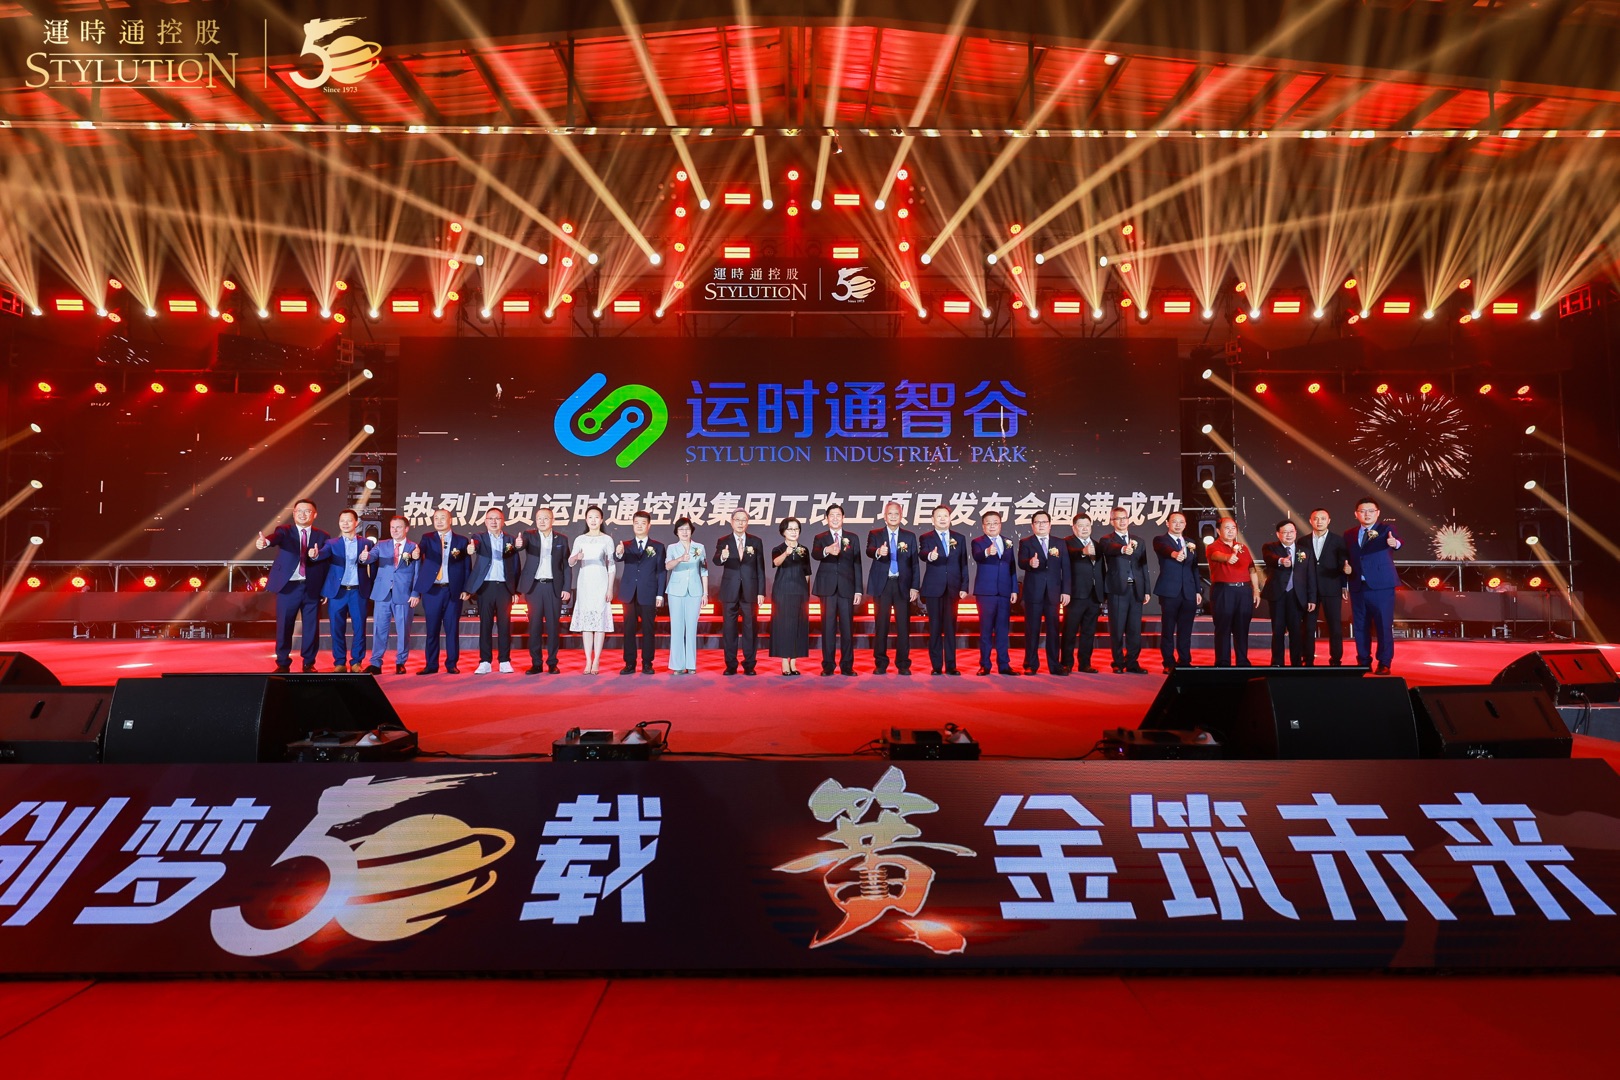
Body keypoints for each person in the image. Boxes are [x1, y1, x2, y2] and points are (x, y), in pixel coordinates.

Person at [256, 497, 330, 673]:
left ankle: (309, 663)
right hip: (288, 587)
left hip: (312, 587)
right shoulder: (284, 530)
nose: (303, 514)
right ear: (294, 513)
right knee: (284, 625)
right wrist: (265, 542)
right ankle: (283, 663)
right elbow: (274, 538)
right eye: (299, 511)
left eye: (307, 511)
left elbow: (326, 562)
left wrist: (324, 587)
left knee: (311, 627)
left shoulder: (323, 536)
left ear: (314, 514)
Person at [1345, 497, 1402, 674]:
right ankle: (1363, 661)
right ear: (1356, 514)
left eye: (1370, 511)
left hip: (1381, 586)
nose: (1367, 514)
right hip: (1358, 586)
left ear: (1377, 513)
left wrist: (1395, 543)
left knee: (1383, 626)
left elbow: (1397, 541)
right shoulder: (1349, 534)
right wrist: (1345, 571)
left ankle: (1384, 662)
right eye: (1362, 511)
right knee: (1360, 626)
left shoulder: (1386, 529)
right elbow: (1346, 557)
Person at [410, 508, 470, 675]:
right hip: (432, 591)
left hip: (453, 590)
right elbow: (420, 551)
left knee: (452, 629)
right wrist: (416, 553)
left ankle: (452, 664)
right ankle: (431, 664)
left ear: (450, 520)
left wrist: (466, 589)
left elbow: (466, 566)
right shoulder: (427, 538)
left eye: (443, 518)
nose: (439, 521)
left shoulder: (461, 541)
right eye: (436, 518)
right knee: (432, 629)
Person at [515, 507, 572, 675]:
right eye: (539, 518)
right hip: (534, 587)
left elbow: (566, 565)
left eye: (545, 518)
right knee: (535, 626)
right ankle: (536, 663)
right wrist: (518, 545)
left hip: (553, 587)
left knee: (553, 626)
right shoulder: (529, 535)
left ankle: (552, 662)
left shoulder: (562, 539)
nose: (542, 521)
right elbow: (520, 546)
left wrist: (567, 588)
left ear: (552, 520)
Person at [865, 501, 919, 675]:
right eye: (890, 514)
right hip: (883, 585)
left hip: (903, 585)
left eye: (896, 514)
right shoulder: (875, 534)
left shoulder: (909, 536)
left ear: (901, 516)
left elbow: (915, 564)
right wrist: (878, 552)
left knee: (903, 627)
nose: (893, 516)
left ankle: (903, 664)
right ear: (885, 516)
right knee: (881, 626)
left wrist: (915, 587)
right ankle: (880, 663)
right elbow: (869, 550)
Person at [317, 508, 375, 672]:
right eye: (342, 520)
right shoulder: (331, 543)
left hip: (358, 592)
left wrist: (371, 587)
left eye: (349, 520)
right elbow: (322, 555)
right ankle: (340, 662)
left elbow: (374, 566)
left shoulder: (367, 543)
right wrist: (315, 554)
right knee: (336, 629)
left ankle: (356, 661)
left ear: (356, 523)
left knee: (359, 628)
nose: (345, 523)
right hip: (338, 593)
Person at [464, 507, 520, 674]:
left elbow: (515, 565)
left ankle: (504, 660)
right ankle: (485, 661)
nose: (494, 522)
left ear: (503, 521)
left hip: (504, 587)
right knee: (485, 625)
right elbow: (475, 545)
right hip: (486, 587)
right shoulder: (479, 537)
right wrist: (472, 548)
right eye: (490, 518)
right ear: (485, 521)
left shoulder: (510, 539)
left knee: (504, 625)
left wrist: (515, 591)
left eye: (497, 519)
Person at [1096, 506, 1150, 674]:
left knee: (1134, 629)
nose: (1122, 521)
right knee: (1117, 628)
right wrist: (1123, 549)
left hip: (1136, 589)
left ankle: (1132, 662)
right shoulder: (1106, 540)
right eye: (1118, 519)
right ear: (1112, 521)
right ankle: (1118, 662)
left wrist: (1146, 590)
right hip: (1117, 589)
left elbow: (1144, 566)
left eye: (1124, 518)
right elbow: (1109, 549)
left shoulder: (1139, 541)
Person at [811, 504, 863, 676]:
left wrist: (858, 590)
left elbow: (857, 564)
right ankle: (828, 666)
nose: (835, 518)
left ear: (843, 518)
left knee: (847, 629)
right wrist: (827, 550)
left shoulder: (852, 538)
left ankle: (847, 666)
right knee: (828, 628)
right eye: (831, 515)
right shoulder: (820, 537)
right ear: (826, 519)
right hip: (827, 588)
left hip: (847, 588)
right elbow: (815, 554)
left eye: (838, 515)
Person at [712, 508, 766, 676]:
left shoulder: (756, 541)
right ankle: (731, 664)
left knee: (750, 629)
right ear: (731, 522)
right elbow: (716, 560)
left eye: (744, 520)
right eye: (737, 520)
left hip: (750, 591)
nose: (741, 523)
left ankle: (749, 664)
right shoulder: (724, 541)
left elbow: (760, 568)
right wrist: (723, 556)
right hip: (730, 592)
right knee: (729, 629)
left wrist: (761, 592)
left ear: (747, 523)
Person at [613, 510, 666, 675]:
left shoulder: (658, 546)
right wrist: (619, 552)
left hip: (648, 593)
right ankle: (629, 663)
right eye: (636, 523)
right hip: (629, 593)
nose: (639, 526)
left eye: (643, 523)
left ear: (649, 525)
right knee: (628, 629)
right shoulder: (626, 545)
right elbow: (618, 558)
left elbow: (661, 571)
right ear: (633, 525)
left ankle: (647, 663)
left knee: (648, 630)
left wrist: (660, 594)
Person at [1017, 510, 1069, 674]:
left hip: (1053, 592)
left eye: (1044, 522)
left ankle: (1054, 665)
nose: (1041, 525)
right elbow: (1021, 562)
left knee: (1053, 629)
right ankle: (1030, 664)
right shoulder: (1026, 542)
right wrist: (1030, 563)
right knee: (1032, 629)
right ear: (1032, 525)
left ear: (1050, 524)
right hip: (1033, 592)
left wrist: (1066, 591)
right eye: (1037, 522)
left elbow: (1066, 568)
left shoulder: (1059, 543)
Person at [363, 515, 416, 675]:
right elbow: (371, 557)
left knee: (403, 630)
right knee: (379, 629)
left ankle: (401, 662)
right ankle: (376, 663)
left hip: (404, 594)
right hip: (383, 593)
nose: (395, 530)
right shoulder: (382, 544)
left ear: (406, 529)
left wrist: (415, 593)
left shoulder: (414, 547)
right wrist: (365, 557)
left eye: (398, 527)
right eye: (392, 527)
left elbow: (418, 572)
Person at [1205, 517, 1260, 667]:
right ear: (1218, 531)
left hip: (1244, 591)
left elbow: (1252, 569)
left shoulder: (1243, 547)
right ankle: (1223, 663)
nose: (1231, 531)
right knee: (1223, 628)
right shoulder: (1213, 546)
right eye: (1227, 528)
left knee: (1242, 628)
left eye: (1233, 528)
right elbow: (1216, 556)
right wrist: (1228, 557)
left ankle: (1242, 662)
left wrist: (1256, 590)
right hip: (1223, 591)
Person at [919, 504, 967, 676]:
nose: (942, 519)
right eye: (938, 516)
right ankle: (937, 666)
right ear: (933, 520)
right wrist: (930, 556)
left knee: (950, 627)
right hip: (934, 588)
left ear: (950, 518)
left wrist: (964, 586)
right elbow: (922, 553)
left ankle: (951, 665)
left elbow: (963, 564)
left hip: (953, 588)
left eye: (945, 516)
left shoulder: (959, 538)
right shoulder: (926, 537)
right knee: (935, 628)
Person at [1262, 518, 1318, 667]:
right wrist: (1281, 561)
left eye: (1291, 532)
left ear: (1296, 533)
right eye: (1285, 532)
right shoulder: (1270, 547)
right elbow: (1269, 558)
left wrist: (1312, 598)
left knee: (1296, 631)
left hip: (1297, 596)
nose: (1288, 535)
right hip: (1278, 595)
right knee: (1278, 630)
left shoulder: (1304, 551)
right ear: (1278, 534)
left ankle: (1296, 663)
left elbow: (1311, 576)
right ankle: (1277, 663)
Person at [1152, 511, 1202, 672]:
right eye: (1174, 521)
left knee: (1186, 629)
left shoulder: (1190, 542)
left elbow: (1194, 568)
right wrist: (1175, 554)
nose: (1178, 525)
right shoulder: (1160, 540)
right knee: (1168, 629)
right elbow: (1164, 549)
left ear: (1185, 524)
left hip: (1189, 592)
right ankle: (1168, 662)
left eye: (1181, 522)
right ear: (1167, 523)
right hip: (1169, 591)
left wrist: (1197, 590)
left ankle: (1185, 661)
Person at [568, 505, 616, 675]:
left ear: (601, 520)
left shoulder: (607, 540)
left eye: (597, 517)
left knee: (599, 623)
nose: (593, 520)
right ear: (586, 520)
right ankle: (588, 660)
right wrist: (577, 557)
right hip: (585, 583)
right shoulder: (580, 539)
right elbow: (570, 562)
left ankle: (597, 660)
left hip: (601, 582)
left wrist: (610, 588)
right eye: (590, 517)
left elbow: (611, 565)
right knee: (587, 624)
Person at [972, 510, 1020, 676]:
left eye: (995, 523)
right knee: (986, 630)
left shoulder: (1008, 542)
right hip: (986, 593)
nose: (992, 526)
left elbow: (1012, 567)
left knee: (1002, 630)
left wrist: (1014, 589)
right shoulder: (978, 542)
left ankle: (1004, 665)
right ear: (983, 526)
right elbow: (977, 556)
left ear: (1000, 524)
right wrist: (987, 552)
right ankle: (985, 665)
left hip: (1004, 592)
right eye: (988, 523)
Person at [1061, 515, 1106, 674]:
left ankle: (1085, 663)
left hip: (1094, 595)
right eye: (1081, 525)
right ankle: (1066, 663)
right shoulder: (1066, 543)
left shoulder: (1097, 544)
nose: (1085, 528)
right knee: (1070, 631)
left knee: (1089, 631)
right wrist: (1082, 552)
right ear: (1074, 527)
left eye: (1087, 525)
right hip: (1075, 594)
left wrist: (1103, 592)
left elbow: (1101, 569)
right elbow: (1071, 555)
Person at [1306, 508, 1350, 666]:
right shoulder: (1303, 541)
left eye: (1323, 518)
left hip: (1332, 587)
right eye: (1316, 518)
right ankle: (1307, 659)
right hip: (1309, 590)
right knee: (1308, 626)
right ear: (1310, 521)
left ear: (1329, 521)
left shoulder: (1338, 541)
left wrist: (1344, 584)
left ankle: (1336, 659)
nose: (1319, 522)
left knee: (1334, 626)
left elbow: (1344, 564)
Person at [664, 517, 707, 675]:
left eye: (687, 529)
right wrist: (680, 559)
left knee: (691, 627)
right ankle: (677, 665)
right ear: (676, 532)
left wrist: (705, 593)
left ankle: (691, 663)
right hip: (676, 591)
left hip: (695, 591)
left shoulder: (699, 547)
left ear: (691, 531)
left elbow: (704, 570)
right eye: (681, 529)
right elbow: (667, 566)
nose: (684, 532)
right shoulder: (672, 548)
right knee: (677, 627)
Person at [770, 517, 812, 676]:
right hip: (782, 591)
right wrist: (786, 553)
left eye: (796, 529)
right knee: (783, 626)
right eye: (790, 529)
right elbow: (776, 562)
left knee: (799, 625)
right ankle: (784, 662)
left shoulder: (804, 550)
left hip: (800, 591)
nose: (794, 532)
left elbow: (807, 573)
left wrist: (806, 592)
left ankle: (793, 662)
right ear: (783, 532)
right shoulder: (778, 548)